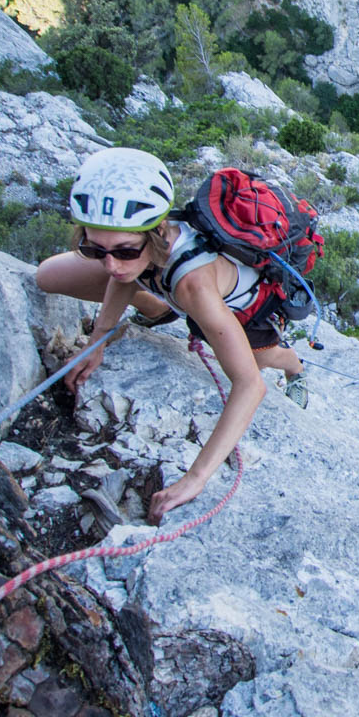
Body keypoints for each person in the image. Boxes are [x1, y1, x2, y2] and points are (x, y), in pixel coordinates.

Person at [35, 148, 308, 524]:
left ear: (157, 233)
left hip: (244, 308)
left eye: (124, 250)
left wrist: (195, 478)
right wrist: (97, 342)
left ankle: (295, 365)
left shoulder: (193, 285)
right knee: (47, 276)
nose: (111, 264)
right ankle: (158, 308)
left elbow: (249, 386)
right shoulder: (136, 257)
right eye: (94, 249)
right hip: (167, 286)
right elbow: (124, 276)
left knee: (259, 358)